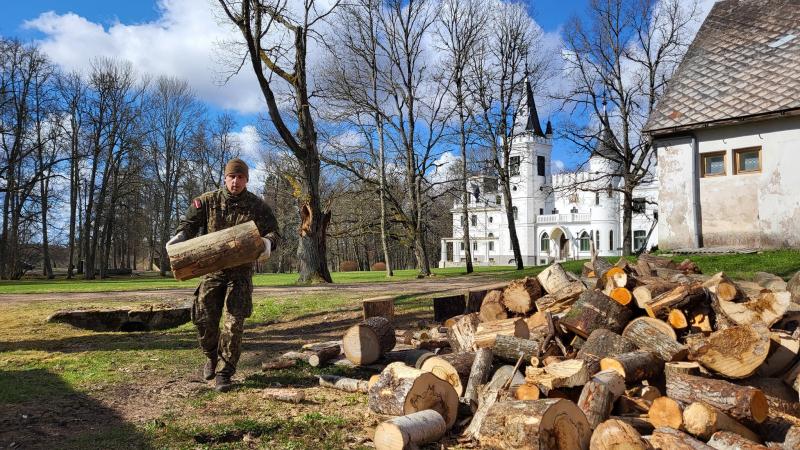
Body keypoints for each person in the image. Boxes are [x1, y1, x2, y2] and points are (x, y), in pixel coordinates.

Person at [167, 158, 279, 392]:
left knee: (234, 323)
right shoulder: (208, 201)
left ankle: (225, 372)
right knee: (204, 319)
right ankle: (211, 354)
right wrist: (180, 237)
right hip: (212, 271)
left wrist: (268, 243)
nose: (235, 181)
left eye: (240, 177)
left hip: (240, 274)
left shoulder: (257, 206)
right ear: (225, 178)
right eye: (231, 177)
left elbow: (273, 231)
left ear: (246, 179)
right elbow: (189, 224)